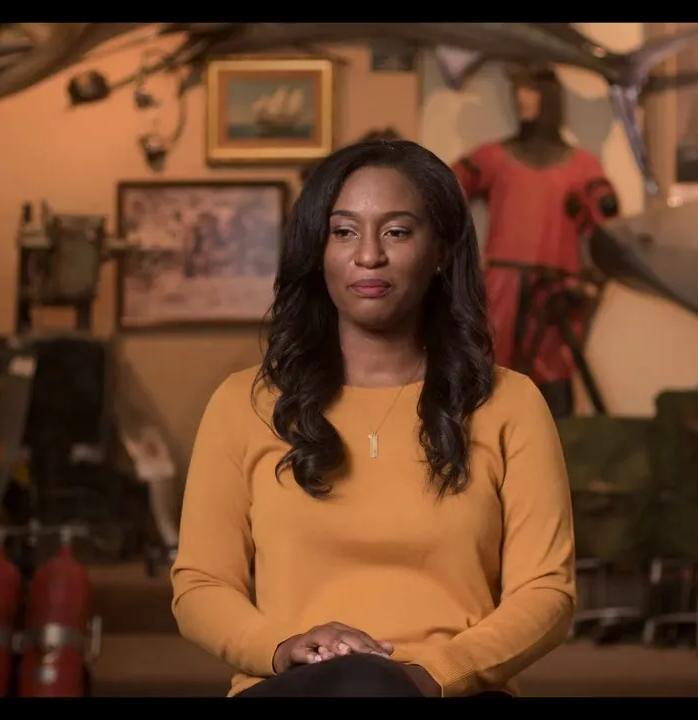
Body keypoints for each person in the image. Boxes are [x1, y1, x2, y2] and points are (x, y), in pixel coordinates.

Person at [170, 138, 576, 698]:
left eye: (396, 232)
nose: (368, 255)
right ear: (318, 251)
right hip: (295, 687)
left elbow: (547, 592)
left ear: (441, 250)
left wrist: (433, 674)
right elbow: (200, 585)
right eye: (343, 232)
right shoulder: (244, 403)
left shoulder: (510, 403)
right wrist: (284, 645)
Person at [453, 63, 620, 419]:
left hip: (556, 291)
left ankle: (554, 449)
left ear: (549, 98)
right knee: (493, 375)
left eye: (530, 90)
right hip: (502, 288)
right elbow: (445, 190)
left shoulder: (582, 167)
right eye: (518, 91)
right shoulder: (494, 158)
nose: (521, 99)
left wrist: (593, 280)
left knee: (554, 380)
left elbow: (607, 226)